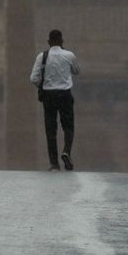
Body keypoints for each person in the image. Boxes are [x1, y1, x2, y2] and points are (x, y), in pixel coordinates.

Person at [30, 29, 80, 171]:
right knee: (68, 126)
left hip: (49, 96)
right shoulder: (69, 55)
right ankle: (66, 151)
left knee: (50, 129)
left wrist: (42, 84)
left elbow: (33, 78)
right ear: (62, 41)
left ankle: (54, 163)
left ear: (49, 42)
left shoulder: (42, 57)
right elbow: (77, 71)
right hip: (65, 94)